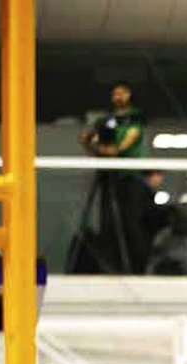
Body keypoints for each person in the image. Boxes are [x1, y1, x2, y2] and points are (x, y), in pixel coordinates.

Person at [73, 81, 151, 273]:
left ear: (130, 95)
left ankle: (137, 269)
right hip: (109, 177)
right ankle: (110, 267)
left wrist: (109, 149)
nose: (118, 97)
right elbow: (93, 141)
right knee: (108, 225)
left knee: (131, 225)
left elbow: (123, 146)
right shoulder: (106, 120)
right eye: (115, 94)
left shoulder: (135, 118)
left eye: (122, 93)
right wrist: (92, 143)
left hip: (130, 178)